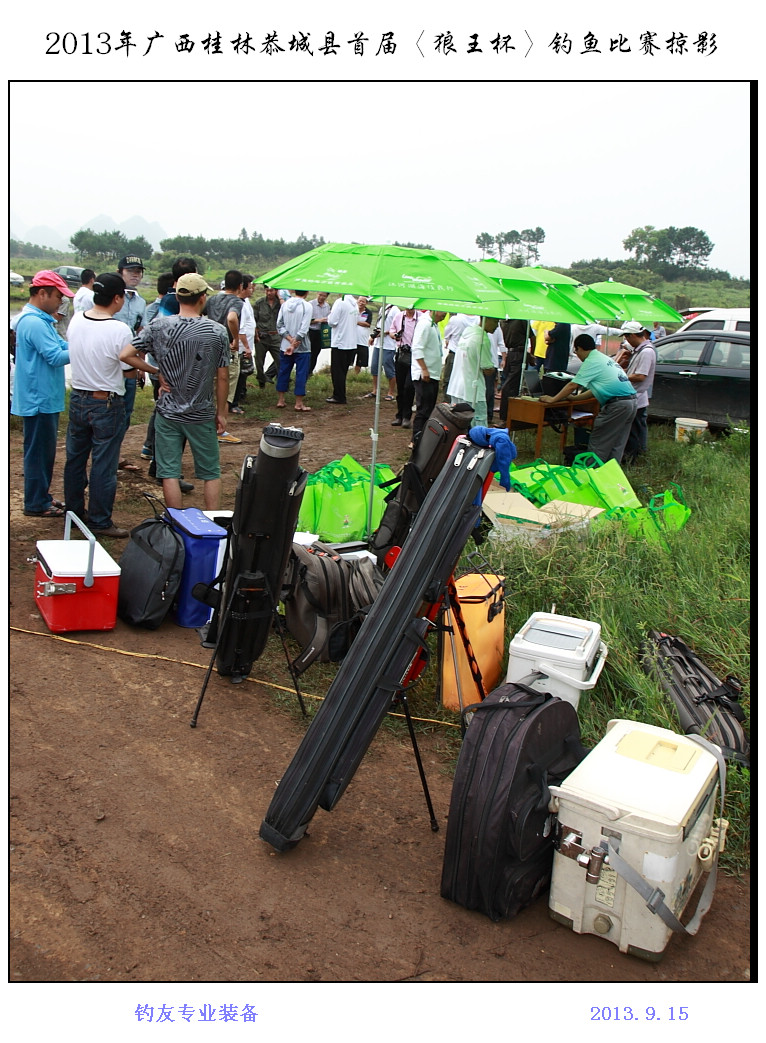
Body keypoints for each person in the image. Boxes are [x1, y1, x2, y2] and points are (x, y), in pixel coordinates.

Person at [121, 273, 230, 509]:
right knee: (210, 472)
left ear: (178, 297)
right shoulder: (216, 331)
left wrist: (155, 370)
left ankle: (175, 523)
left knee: (169, 471)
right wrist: (221, 412)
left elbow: (125, 355)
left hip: (168, 410)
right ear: (202, 298)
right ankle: (211, 524)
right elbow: (222, 376)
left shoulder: (158, 326)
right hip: (201, 412)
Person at [63, 272, 153, 538]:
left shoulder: (77, 319)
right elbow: (127, 369)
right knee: (104, 463)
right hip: (106, 402)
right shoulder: (118, 329)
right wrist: (147, 369)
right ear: (117, 298)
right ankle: (100, 521)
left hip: (78, 398)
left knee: (75, 460)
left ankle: (74, 513)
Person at [10, 270, 73, 517]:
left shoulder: (41, 321)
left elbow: (62, 346)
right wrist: (86, 348)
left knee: (44, 452)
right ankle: (36, 503)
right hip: (39, 399)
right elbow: (56, 356)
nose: (60, 302)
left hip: (45, 397)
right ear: (42, 293)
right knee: (38, 453)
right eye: (58, 296)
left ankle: (41, 496)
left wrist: (81, 341)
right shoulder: (34, 323)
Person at [539, 333, 637, 464]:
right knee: (617, 444)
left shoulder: (591, 361)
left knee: (599, 443)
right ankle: (611, 476)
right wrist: (575, 399)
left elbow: (573, 384)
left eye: (576, 351)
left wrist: (553, 399)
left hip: (617, 405)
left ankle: (592, 476)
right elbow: (596, 389)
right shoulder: (603, 358)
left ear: (579, 348)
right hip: (630, 402)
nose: (577, 355)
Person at [113, 255, 148, 466]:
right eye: (130, 270)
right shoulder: (110, 298)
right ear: (120, 272)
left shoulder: (140, 302)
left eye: (138, 270)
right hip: (110, 363)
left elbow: (141, 333)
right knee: (108, 410)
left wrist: (142, 365)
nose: (135, 274)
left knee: (126, 411)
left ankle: (115, 453)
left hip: (130, 364)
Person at [615, 321, 656, 464]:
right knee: (637, 429)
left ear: (633, 335)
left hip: (637, 397)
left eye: (627, 338)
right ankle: (637, 454)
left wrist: (622, 376)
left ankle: (632, 459)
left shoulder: (646, 351)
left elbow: (640, 376)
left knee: (634, 432)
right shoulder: (640, 350)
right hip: (636, 397)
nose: (627, 341)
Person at [205, 270, 245, 416]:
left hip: (210, 347)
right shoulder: (236, 301)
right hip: (227, 349)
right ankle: (221, 427)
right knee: (226, 391)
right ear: (240, 286)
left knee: (212, 389)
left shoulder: (212, 299)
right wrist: (235, 338)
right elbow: (232, 318)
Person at [449, 317, 498, 427]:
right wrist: (493, 370)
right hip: (472, 390)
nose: (497, 325)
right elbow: (487, 368)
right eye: (495, 321)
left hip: (456, 386)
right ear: (485, 319)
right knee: (478, 427)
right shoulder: (482, 339)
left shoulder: (466, 333)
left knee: (458, 423)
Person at [411, 310, 447, 443]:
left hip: (433, 373)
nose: (445, 314)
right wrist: (424, 369)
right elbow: (417, 348)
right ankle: (416, 439)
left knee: (429, 408)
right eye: (443, 311)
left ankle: (424, 438)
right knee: (423, 408)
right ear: (434, 310)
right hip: (424, 374)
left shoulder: (434, 325)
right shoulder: (425, 324)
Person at [276, 289, 313, 412]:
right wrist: (295, 342)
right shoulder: (307, 306)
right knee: (301, 373)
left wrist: (289, 339)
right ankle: (299, 403)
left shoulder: (285, 304)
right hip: (302, 347)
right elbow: (304, 328)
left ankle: (281, 400)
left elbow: (279, 325)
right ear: (306, 293)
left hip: (285, 345)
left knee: (283, 371)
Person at [497, 318, 534, 426]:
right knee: (508, 386)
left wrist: (531, 354)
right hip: (511, 353)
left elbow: (532, 337)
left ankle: (508, 418)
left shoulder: (521, 320)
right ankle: (506, 417)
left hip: (519, 352)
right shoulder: (503, 321)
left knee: (510, 386)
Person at [326, 293, 359, 403]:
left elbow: (332, 322)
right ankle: (341, 394)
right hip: (351, 342)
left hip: (340, 342)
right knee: (343, 371)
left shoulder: (340, 302)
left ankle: (339, 396)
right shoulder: (355, 304)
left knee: (337, 371)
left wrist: (329, 316)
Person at [389, 306, 418, 427]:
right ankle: (399, 416)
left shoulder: (421, 318)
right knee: (400, 387)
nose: (409, 310)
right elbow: (391, 330)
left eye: (411, 308)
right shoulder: (399, 316)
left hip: (415, 355)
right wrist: (394, 335)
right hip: (401, 355)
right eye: (407, 308)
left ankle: (407, 417)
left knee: (409, 387)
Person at [231, 273, 256, 409]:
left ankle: (240, 395)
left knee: (244, 373)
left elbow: (250, 322)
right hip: (241, 346)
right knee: (238, 374)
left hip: (247, 343)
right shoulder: (238, 304)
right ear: (243, 288)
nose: (252, 290)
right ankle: (233, 403)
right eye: (250, 287)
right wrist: (246, 347)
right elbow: (241, 330)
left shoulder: (246, 302)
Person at [366, 302, 400, 400]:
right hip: (378, 343)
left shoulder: (395, 310)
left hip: (388, 345)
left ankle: (391, 392)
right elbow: (378, 326)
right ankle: (375, 390)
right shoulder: (382, 308)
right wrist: (373, 336)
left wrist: (384, 332)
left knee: (389, 368)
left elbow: (398, 329)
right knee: (374, 367)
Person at [252, 284, 282, 388]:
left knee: (281, 360)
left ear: (276, 291)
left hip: (276, 337)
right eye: (267, 290)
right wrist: (256, 335)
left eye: (272, 291)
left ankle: (282, 384)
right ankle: (261, 381)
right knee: (259, 361)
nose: (269, 293)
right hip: (262, 337)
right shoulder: (259, 303)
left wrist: (282, 300)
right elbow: (254, 320)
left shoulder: (281, 304)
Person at [308, 291, 331, 374]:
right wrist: (318, 320)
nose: (321, 297)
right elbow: (306, 320)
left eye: (324, 296)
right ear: (317, 293)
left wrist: (327, 320)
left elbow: (329, 317)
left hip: (321, 332)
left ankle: (310, 372)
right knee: (308, 353)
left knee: (316, 353)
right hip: (311, 331)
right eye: (320, 295)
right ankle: (304, 371)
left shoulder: (327, 306)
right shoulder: (310, 304)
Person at [354, 296, 372, 374]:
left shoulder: (368, 312)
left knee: (360, 361)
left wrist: (356, 322)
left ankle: (356, 375)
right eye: (360, 301)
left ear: (366, 303)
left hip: (363, 340)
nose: (361, 303)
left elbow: (368, 324)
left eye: (363, 301)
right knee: (349, 359)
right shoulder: (353, 310)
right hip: (352, 339)